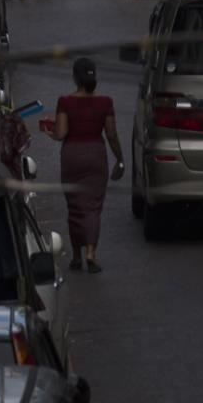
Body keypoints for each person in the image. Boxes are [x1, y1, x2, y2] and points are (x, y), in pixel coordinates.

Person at [46, 57, 124, 272]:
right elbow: (111, 134)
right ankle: (91, 252)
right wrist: (120, 157)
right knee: (92, 207)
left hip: (72, 155)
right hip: (95, 155)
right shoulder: (105, 102)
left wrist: (49, 132)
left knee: (75, 206)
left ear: (74, 77)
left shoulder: (65, 102)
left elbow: (61, 133)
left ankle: (76, 256)